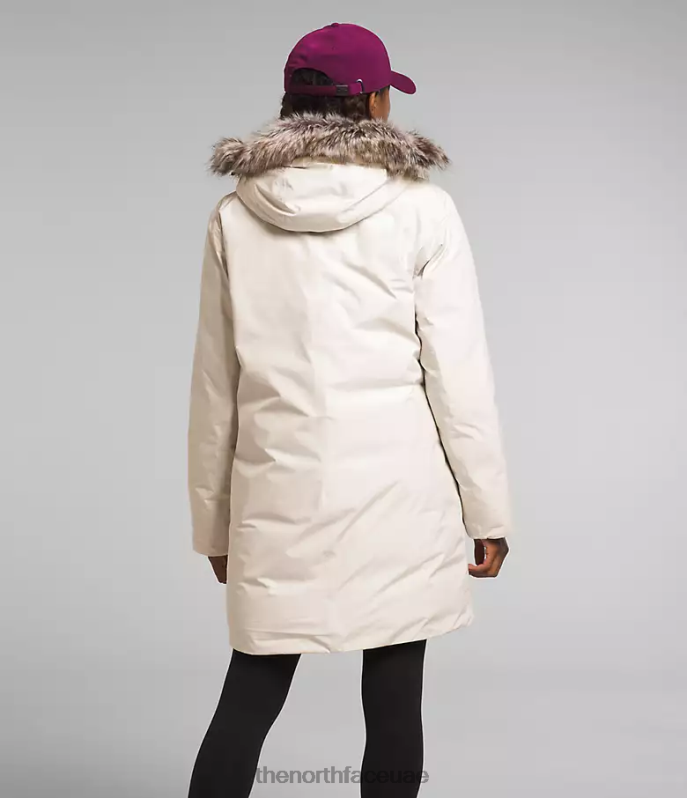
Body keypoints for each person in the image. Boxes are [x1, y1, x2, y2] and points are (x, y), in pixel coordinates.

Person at [186, 21, 512, 798]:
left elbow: (215, 388)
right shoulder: (424, 211)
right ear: (371, 104)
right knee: (395, 697)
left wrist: (214, 525)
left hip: (278, 496)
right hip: (397, 499)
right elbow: (458, 378)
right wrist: (488, 512)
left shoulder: (234, 215)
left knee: (251, 692)